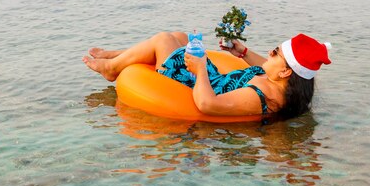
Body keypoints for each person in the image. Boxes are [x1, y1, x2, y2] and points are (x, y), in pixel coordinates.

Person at [83, 32, 331, 119]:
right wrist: (241, 51)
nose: (270, 53)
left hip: (194, 85)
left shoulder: (261, 96)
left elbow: (207, 104)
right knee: (180, 36)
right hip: (211, 80)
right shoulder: (281, 83)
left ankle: (112, 68)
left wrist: (200, 68)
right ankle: (118, 55)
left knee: (164, 39)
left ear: (287, 70)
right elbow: (263, 65)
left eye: (276, 53)